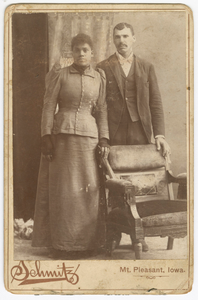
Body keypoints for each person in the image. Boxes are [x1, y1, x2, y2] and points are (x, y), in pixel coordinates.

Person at [32, 33, 109, 259]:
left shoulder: (99, 78)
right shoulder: (61, 75)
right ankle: (61, 244)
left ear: (92, 53)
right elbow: (48, 106)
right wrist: (46, 135)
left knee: (87, 192)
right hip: (62, 138)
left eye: (85, 50)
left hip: (89, 139)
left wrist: (104, 138)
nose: (81, 53)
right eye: (77, 50)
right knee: (63, 191)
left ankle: (86, 244)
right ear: (72, 53)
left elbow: (102, 110)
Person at [97, 22, 171, 252]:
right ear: (113, 40)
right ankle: (113, 233)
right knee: (114, 180)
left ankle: (139, 235)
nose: (122, 41)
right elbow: (99, 106)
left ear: (134, 38)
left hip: (141, 131)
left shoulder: (146, 67)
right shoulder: (103, 67)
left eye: (126, 36)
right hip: (114, 131)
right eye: (117, 37)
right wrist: (104, 137)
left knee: (139, 182)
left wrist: (159, 134)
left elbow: (155, 103)